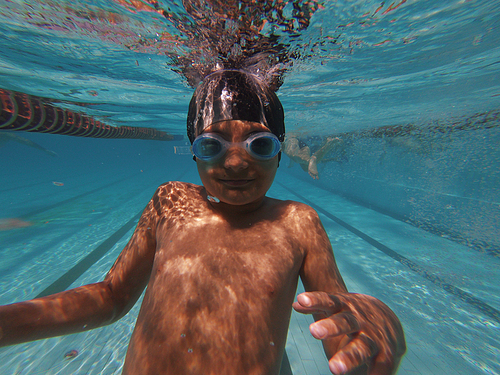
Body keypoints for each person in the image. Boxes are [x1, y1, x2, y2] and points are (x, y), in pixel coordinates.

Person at [0, 70, 405, 375]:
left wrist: (378, 328)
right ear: (193, 151)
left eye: (259, 145)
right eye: (212, 146)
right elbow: (110, 298)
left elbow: (341, 329)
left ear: (280, 152)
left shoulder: (298, 222)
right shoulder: (169, 201)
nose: (233, 162)